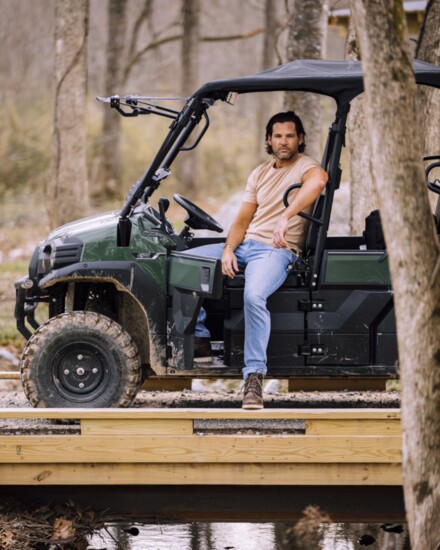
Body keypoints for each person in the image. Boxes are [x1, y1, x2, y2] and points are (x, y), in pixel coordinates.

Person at [190, 111, 328, 409]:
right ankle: (200, 338)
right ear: (268, 139)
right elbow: (242, 220)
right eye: (277, 136)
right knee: (184, 262)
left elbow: (319, 182)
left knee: (254, 296)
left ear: (300, 139)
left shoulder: (307, 166)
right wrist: (228, 248)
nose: (284, 141)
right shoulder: (260, 172)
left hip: (276, 251)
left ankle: (253, 377)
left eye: (290, 135)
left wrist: (287, 216)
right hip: (246, 246)